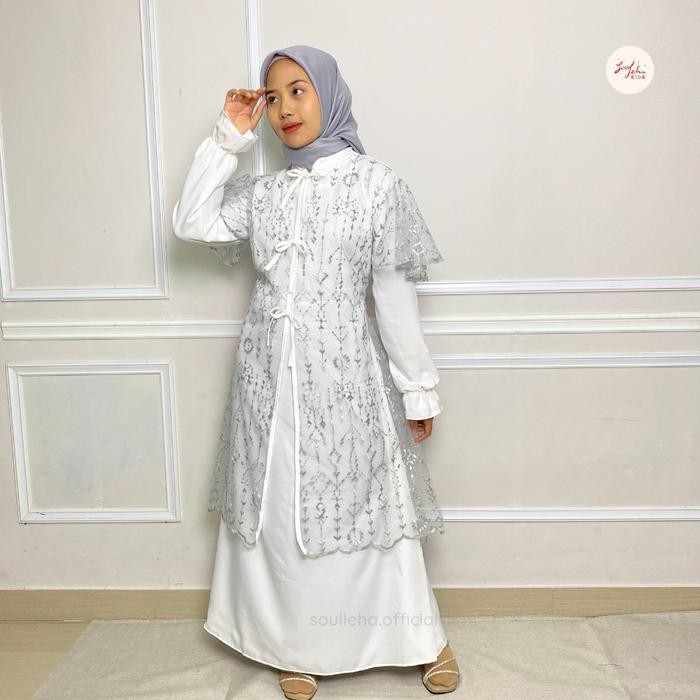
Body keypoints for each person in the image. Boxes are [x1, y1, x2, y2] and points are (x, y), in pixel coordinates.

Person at [172, 44, 460, 698]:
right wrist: (228, 137)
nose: (284, 109)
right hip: (267, 383)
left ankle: (423, 639)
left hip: (348, 379)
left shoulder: (376, 185)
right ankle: (293, 646)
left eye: (298, 91)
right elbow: (190, 222)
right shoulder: (265, 193)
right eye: (273, 97)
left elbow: (393, 296)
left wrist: (418, 390)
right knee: (280, 513)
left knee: (369, 509)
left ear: (329, 94)